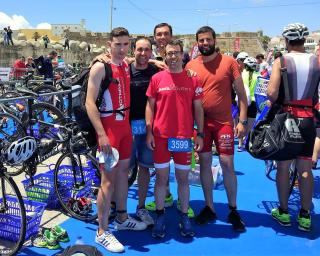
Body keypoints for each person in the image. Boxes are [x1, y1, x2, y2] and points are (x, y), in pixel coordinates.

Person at [86, 27, 147, 253]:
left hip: (125, 130)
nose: (122, 49)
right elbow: (89, 103)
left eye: (125, 44)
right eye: (117, 44)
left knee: (123, 174)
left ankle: (122, 217)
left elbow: (137, 57)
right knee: (107, 181)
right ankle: (102, 231)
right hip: (109, 131)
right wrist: (101, 133)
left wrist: (159, 63)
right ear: (109, 45)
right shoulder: (101, 66)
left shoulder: (125, 64)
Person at [186, 26, 248, 232]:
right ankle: (209, 207)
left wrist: (242, 121)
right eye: (201, 40)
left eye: (208, 40)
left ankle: (233, 209)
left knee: (227, 163)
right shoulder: (191, 65)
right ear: (197, 43)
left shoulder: (229, 62)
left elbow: (241, 95)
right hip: (201, 125)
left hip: (223, 124)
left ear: (214, 40)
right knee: (204, 164)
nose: (205, 43)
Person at [146, 39, 204, 238]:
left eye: (176, 53)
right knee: (161, 179)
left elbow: (198, 109)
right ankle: (160, 216)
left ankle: (184, 216)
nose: (173, 57)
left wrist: (201, 134)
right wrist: (149, 132)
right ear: (165, 55)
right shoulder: (157, 79)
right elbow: (150, 107)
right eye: (169, 53)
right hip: (160, 137)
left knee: (183, 179)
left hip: (183, 137)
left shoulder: (193, 79)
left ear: (182, 55)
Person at [267, 23, 320, 232]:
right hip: (308, 120)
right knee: (305, 170)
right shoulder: (317, 61)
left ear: (287, 41)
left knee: (282, 167)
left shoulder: (281, 61)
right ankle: (305, 215)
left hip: (288, 118)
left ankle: (283, 211)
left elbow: (271, 92)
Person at [145, 23, 194, 217]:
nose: (162, 36)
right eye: (159, 34)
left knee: (183, 176)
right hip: (158, 125)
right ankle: (164, 199)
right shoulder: (148, 55)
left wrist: (197, 132)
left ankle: (183, 206)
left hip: (181, 131)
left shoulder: (185, 64)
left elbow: (188, 74)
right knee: (158, 173)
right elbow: (128, 58)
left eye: (166, 33)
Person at [128, 37, 158, 226]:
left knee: (145, 168)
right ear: (133, 51)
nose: (143, 53)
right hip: (127, 127)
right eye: (139, 49)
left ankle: (141, 207)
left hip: (148, 127)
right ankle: (119, 207)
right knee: (124, 169)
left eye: (147, 50)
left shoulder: (156, 71)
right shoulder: (124, 69)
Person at [237, 57, 260, 151]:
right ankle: (247, 142)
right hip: (254, 102)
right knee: (250, 124)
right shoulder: (258, 76)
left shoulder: (241, 75)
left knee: (241, 122)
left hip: (243, 101)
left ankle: (240, 143)